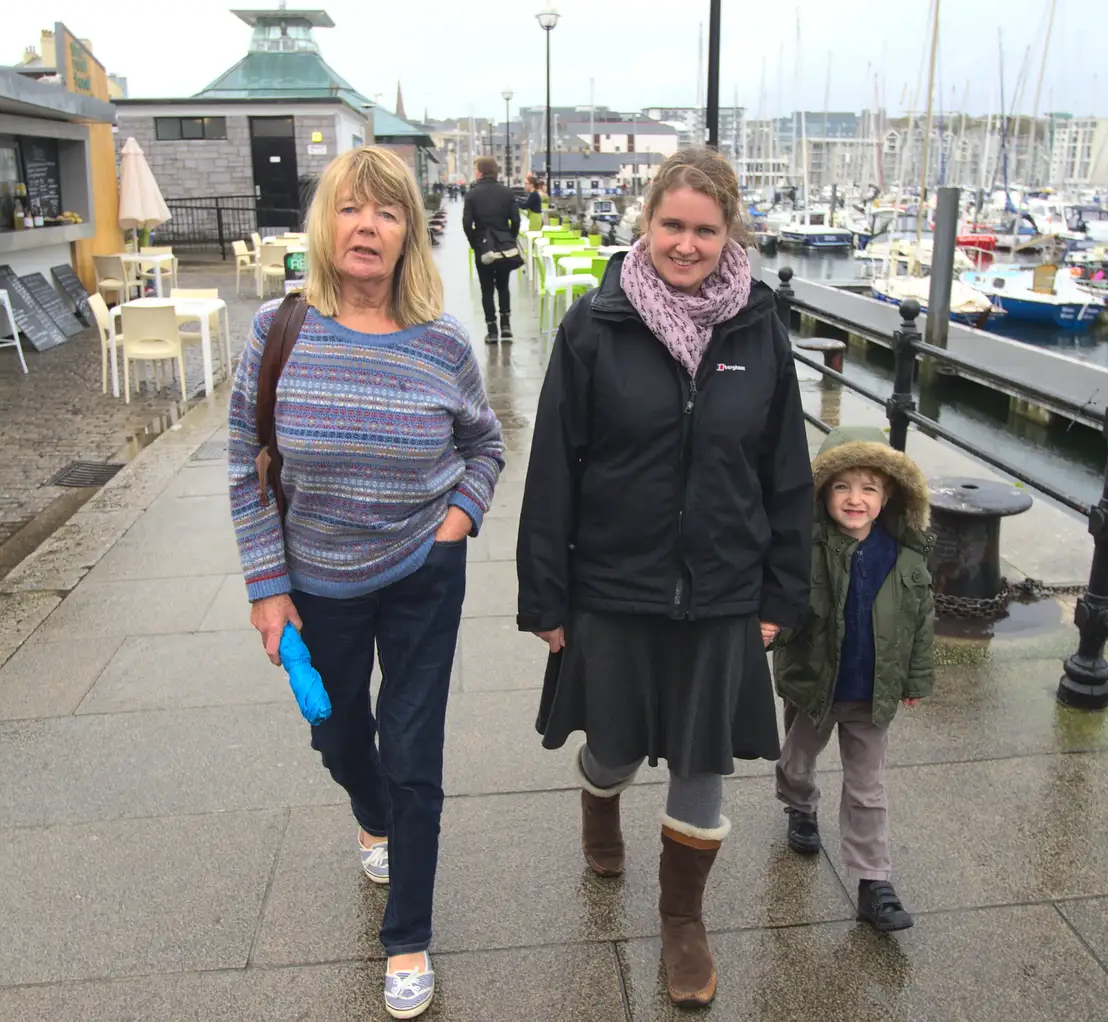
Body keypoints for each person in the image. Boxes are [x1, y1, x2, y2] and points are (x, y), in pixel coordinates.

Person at [516, 148, 811, 1008]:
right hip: (613, 583)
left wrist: (780, 594)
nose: (687, 244)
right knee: (611, 746)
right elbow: (555, 469)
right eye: (672, 225)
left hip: (723, 588)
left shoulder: (761, 331)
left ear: (731, 235)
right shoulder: (595, 326)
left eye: (705, 230)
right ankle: (597, 799)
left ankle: (682, 918)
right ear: (646, 224)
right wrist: (547, 596)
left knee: (701, 761)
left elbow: (785, 472)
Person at [227, 145, 504, 1020]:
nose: (368, 226)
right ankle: (371, 811)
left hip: (425, 573)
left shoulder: (443, 343)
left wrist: (457, 521)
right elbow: (243, 461)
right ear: (326, 224)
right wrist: (267, 585)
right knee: (340, 737)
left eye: (388, 213)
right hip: (318, 582)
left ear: (409, 235)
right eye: (352, 208)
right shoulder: (280, 333)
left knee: (415, 751)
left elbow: (485, 445)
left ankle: (407, 937)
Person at [771, 425, 934, 933]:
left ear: (888, 497)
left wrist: (914, 679)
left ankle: (873, 883)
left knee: (867, 788)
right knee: (797, 761)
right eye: (842, 486)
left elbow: (920, 620)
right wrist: (769, 628)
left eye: (869, 488)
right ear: (823, 493)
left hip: (871, 693)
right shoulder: (805, 549)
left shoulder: (904, 557)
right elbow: (782, 605)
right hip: (816, 686)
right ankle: (800, 805)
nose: (855, 499)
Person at [463, 155, 521, 343]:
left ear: (480, 172)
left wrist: (475, 243)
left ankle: (492, 330)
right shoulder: (506, 192)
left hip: (483, 246)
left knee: (487, 289)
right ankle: (506, 326)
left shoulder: (472, 195)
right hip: (504, 246)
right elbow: (516, 220)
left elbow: (466, 223)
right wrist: (509, 238)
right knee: (503, 286)